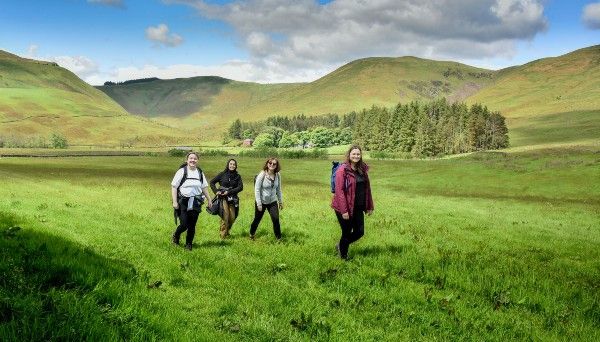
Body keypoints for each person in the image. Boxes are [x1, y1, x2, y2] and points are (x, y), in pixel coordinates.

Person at [331, 145, 374, 259]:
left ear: (361, 155)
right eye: (354, 154)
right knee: (346, 232)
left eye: (358, 154)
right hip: (343, 207)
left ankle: (340, 245)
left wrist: (369, 206)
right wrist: (344, 210)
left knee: (360, 232)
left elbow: (367, 189)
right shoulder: (342, 170)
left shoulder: (362, 169)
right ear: (349, 155)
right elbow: (339, 191)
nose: (356, 156)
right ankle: (343, 257)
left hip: (358, 206)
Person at [171, 151, 212, 251]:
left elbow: (204, 187)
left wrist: (209, 199)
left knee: (192, 225)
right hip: (183, 202)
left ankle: (188, 244)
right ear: (187, 160)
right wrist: (175, 202)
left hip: (196, 202)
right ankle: (176, 235)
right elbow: (174, 187)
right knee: (184, 224)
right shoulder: (181, 171)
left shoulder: (200, 172)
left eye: (195, 159)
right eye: (191, 158)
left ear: (197, 160)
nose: (193, 160)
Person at [250, 157, 283, 240]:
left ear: (276, 165)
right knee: (257, 219)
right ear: (267, 164)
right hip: (262, 201)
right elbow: (257, 189)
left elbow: (278, 189)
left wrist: (280, 201)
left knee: (276, 219)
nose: (271, 165)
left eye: (274, 164)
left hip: (272, 201)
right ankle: (252, 234)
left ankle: (278, 238)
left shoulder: (278, 175)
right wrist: (259, 203)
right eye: (270, 163)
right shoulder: (262, 175)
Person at [210, 159, 243, 239]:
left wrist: (229, 192)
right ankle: (222, 236)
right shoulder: (222, 174)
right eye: (231, 164)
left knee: (232, 217)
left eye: (234, 164)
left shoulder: (238, 176)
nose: (232, 166)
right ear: (228, 165)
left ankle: (227, 230)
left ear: (236, 166)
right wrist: (216, 191)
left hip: (232, 199)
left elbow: (240, 187)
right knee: (226, 216)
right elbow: (212, 182)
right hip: (222, 198)